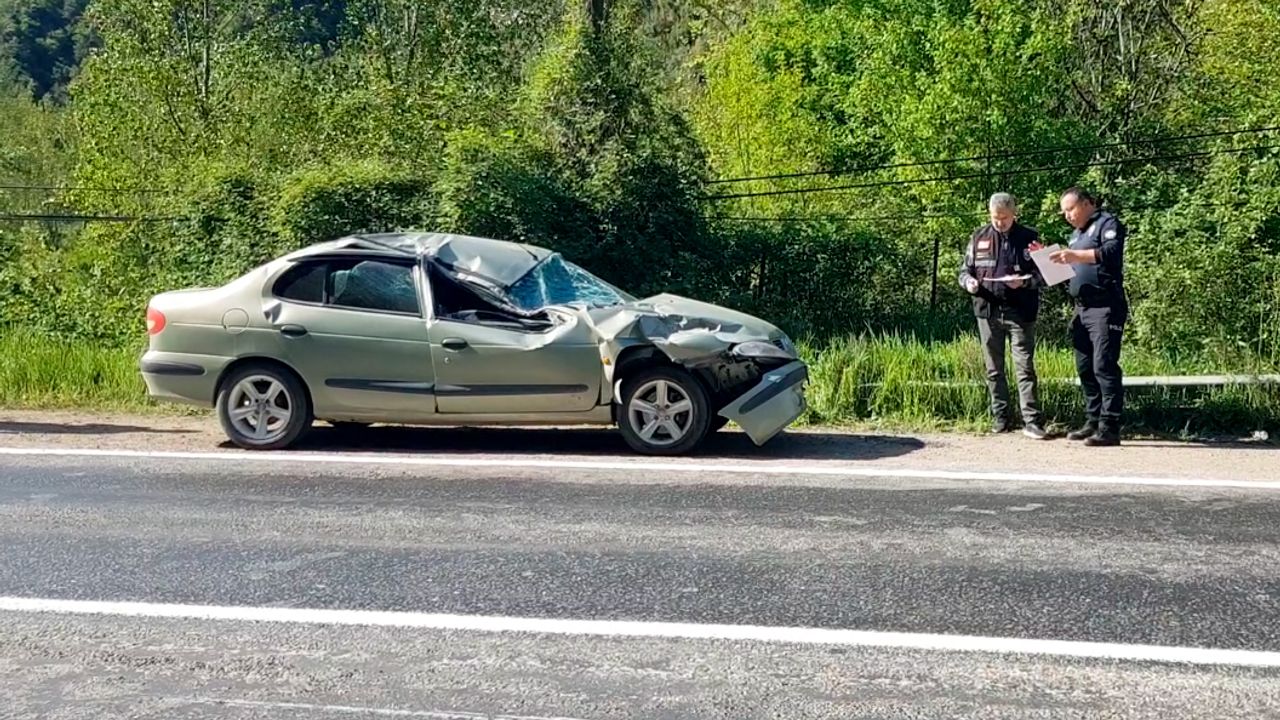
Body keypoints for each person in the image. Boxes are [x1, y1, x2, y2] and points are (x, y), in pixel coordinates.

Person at [959, 192, 1048, 439]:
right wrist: (968, 283)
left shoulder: (1030, 238)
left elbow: (1047, 274)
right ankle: (1000, 417)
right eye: (995, 218)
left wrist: (1025, 283)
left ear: (1014, 214)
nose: (999, 223)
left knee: (1024, 367)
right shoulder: (978, 237)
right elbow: (964, 271)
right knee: (993, 368)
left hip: (1020, 312)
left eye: (1004, 218)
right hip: (987, 311)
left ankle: (1032, 421)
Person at [1046, 186, 1128, 447]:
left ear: (1086, 203)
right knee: (1085, 367)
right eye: (1064, 212)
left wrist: (1074, 255)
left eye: (1070, 209)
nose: (1067, 215)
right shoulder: (1075, 236)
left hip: (1105, 306)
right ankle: (1092, 420)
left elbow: (1112, 253)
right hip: (1081, 308)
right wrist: (1048, 260)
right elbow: (1072, 271)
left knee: (1104, 365)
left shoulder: (1107, 223)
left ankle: (1109, 427)